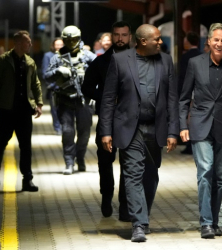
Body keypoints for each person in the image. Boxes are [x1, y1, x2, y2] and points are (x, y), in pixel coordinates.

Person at [99, 24, 179, 242]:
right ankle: (139, 224)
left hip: (156, 127)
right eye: (157, 39)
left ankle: (143, 216)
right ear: (143, 41)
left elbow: (172, 99)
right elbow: (108, 98)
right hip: (129, 128)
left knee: (150, 176)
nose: (161, 42)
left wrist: (173, 131)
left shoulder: (165, 61)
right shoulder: (120, 60)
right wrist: (106, 131)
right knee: (133, 174)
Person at [179, 23, 222, 239]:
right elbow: (184, 98)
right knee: (205, 171)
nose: (219, 43)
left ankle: (215, 220)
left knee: (220, 177)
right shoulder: (195, 63)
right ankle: (206, 223)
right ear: (208, 41)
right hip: (200, 125)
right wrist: (182, 125)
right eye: (216, 39)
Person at [82, 21, 132, 220]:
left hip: (130, 119)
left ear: (130, 37)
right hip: (107, 119)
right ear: (112, 36)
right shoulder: (101, 62)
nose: (120, 38)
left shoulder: (136, 59)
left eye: (124, 35)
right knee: (105, 161)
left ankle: (125, 204)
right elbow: (86, 87)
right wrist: (105, 96)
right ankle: (106, 196)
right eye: (117, 35)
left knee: (129, 163)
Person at [0, 31, 43, 191]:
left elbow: (35, 83)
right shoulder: (2, 60)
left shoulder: (30, 62)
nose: (30, 44)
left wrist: (39, 103)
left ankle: (27, 179)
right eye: (27, 42)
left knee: (26, 146)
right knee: (1, 143)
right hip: (7, 109)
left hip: (24, 110)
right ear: (19, 43)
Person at [45, 25, 96, 175]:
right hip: (65, 100)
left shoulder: (88, 56)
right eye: (68, 40)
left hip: (84, 100)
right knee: (67, 132)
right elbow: (47, 76)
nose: (71, 43)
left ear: (79, 39)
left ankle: (80, 158)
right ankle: (69, 162)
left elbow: (102, 74)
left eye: (74, 39)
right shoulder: (57, 57)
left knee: (84, 133)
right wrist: (57, 71)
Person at [178, 31, 201, 155]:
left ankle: (189, 144)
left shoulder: (186, 57)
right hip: (199, 91)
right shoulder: (201, 55)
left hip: (188, 91)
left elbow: (182, 76)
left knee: (188, 118)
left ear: (188, 42)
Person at [41, 37, 64, 135]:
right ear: (53, 45)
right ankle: (57, 127)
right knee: (54, 109)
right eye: (57, 44)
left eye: (61, 44)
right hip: (54, 88)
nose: (59, 46)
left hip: (65, 88)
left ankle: (64, 126)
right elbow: (45, 71)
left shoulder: (67, 55)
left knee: (64, 109)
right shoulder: (48, 56)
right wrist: (52, 84)